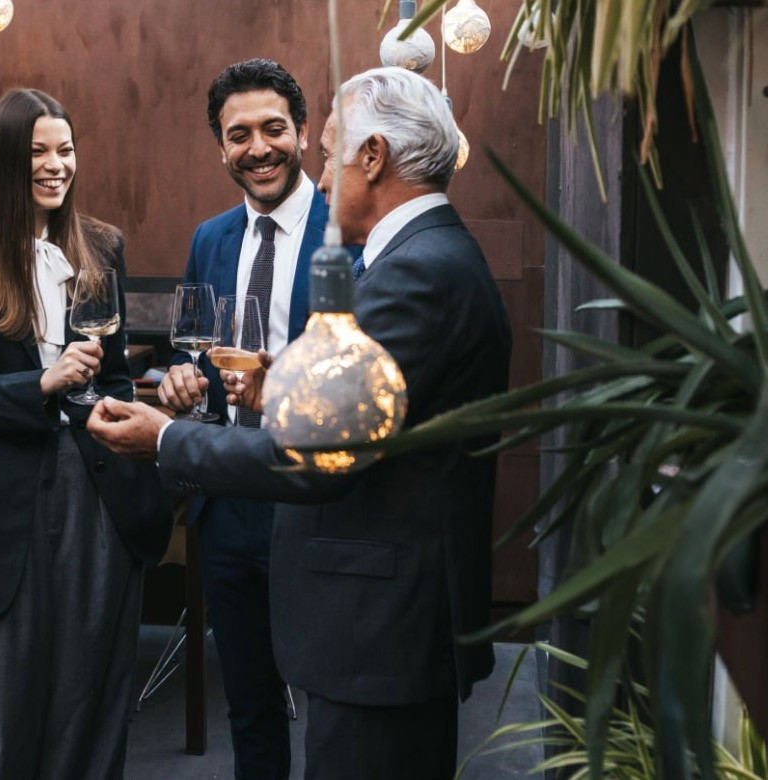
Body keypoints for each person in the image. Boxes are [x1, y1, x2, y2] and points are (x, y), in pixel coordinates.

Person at [89, 67, 512, 780]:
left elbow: (316, 457)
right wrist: (267, 391)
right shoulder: (432, 256)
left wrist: (162, 438)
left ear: (370, 157)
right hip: (377, 610)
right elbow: (366, 416)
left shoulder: (413, 273)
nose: (320, 181)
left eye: (327, 156)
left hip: (379, 622)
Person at [0, 88, 171, 780]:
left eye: (65, 149)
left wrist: (107, 411)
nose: (56, 165)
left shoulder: (102, 248)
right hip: (0, 501)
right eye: (38, 152)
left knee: (89, 699)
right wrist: (40, 383)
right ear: (4, 160)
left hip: (96, 495)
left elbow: (115, 377)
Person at [155, 59, 327, 780]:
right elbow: (186, 351)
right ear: (218, 147)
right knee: (249, 701)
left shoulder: (351, 229)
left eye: (272, 129)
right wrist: (177, 380)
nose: (257, 148)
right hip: (229, 505)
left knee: (329, 701)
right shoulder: (210, 239)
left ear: (304, 133)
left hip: (316, 496)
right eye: (238, 135)